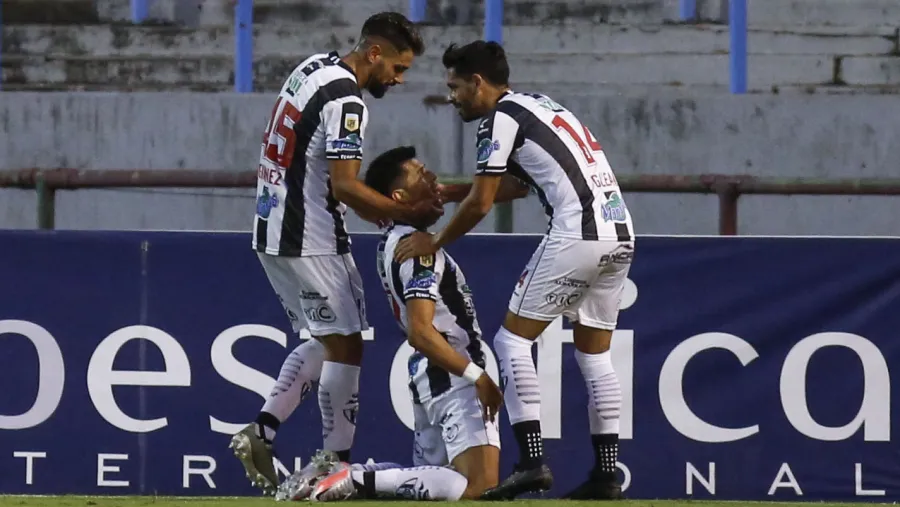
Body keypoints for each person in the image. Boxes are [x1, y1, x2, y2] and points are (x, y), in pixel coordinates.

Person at [393, 40, 635, 501]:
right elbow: (514, 187)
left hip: (577, 234)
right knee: (595, 356)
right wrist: (453, 192)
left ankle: (531, 462)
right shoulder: (539, 105)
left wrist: (435, 239)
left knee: (511, 341)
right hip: (620, 234)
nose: (452, 97)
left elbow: (482, 202)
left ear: (478, 83)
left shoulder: (498, 118)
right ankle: (607, 476)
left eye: (455, 86)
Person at [231, 12, 442, 494]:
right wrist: (404, 215)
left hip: (272, 227)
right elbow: (346, 187)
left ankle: (262, 430)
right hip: (311, 235)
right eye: (398, 67)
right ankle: (336, 464)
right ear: (374, 53)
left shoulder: (312, 67)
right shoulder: (349, 100)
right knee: (346, 343)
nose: (399, 78)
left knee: (330, 339)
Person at [281, 146, 537, 502]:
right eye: (423, 175)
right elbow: (420, 332)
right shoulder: (419, 248)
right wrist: (477, 377)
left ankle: (360, 475)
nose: (435, 179)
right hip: (453, 376)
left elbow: (515, 187)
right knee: (479, 486)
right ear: (399, 196)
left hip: (430, 380)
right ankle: (353, 478)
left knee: (440, 483)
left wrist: (440, 193)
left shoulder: (394, 240)